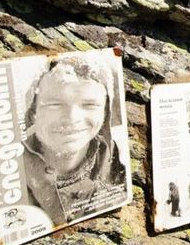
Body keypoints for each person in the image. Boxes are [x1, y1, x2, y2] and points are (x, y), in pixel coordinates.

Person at [22, 54, 126, 226]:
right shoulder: (13, 168)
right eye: (55, 104)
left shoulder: (112, 160)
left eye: (90, 105)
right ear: (33, 111)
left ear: (105, 112)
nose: (72, 118)